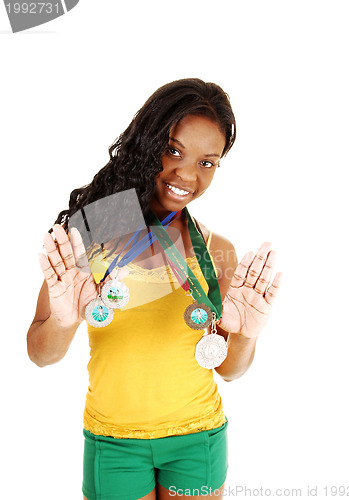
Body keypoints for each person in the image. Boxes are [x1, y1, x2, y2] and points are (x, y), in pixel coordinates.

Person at [27, 78, 282, 500]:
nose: (187, 175)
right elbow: (40, 354)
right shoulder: (94, 231)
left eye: (207, 162)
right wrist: (63, 318)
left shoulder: (217, 251)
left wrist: (249, 334)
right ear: (146, 144)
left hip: (197, 438)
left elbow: (230, 370)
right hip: (114, 441)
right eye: (174, 150)